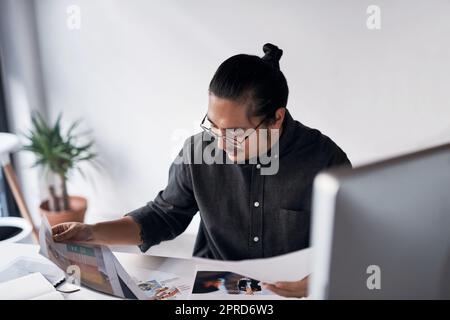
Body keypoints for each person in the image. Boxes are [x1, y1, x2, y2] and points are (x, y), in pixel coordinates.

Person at [52, 43, 351, 298]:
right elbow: (162, 215)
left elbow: (351, 244)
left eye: (235, 132)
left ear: (276, 118)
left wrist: (314, 284)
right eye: (214, 126)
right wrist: (92, 232)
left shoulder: (325, 160)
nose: (221, 143)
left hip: (293, 290)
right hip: (215, 289)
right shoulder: (199, 150)